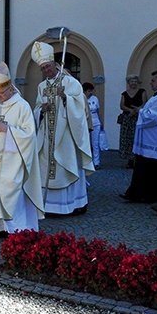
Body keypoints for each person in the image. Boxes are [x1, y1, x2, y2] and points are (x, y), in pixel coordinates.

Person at [0, 62, 45, 238]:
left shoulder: (22, 106)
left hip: (15, 159)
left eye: (1, 93)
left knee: (12, 191)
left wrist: (7, 129)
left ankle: (18, 229)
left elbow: (29, 135)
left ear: (10, 89)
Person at [31, 41, 94, 216]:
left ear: (55, 64)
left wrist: (66, 98)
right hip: (47, 135)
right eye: (43, 68)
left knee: (66, 165)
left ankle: (74, 203)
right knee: (46, 168)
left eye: (48, 66)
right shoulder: (41, 86)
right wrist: (40, 111)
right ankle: (50, 205)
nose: (46, 71)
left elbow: (81, 108)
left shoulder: (70, 82)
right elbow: (36, 108)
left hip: (66, 133)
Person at [121, 70, 157, 204]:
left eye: (153, 80)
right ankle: (136, 193)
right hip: (152, 140)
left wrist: (139, 111)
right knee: (144, 168)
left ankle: (148, 195)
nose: (151, 83)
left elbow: (154, 117)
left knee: (153, 170)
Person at [119, 74, 148, 169]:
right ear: (128, 83)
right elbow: (122, 105)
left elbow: (145, 103)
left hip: (138, 118)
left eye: (135, 81)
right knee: (128, 139)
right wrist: (130, 110)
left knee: (138, 138)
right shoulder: (124, 93)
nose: (134, 83)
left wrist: (137, 110)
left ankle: (138, 159)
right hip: (128, 118)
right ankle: (130, 160)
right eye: (132, 81)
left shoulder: (142, 92)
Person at [83, 82, 103, 170]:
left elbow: (98, 111)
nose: (90, 93)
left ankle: (96, 162)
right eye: (89, 91)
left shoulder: (95, 98)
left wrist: (101, 121)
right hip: (86, 122)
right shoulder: (81, 98)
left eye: (91, 91)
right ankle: (86, 162)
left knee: (95, 143)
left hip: (95, 122)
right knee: (86, 143)